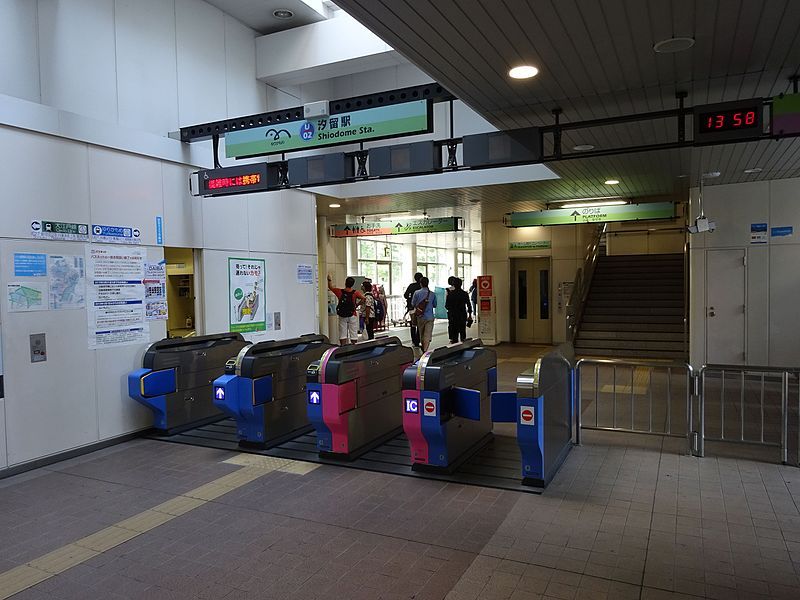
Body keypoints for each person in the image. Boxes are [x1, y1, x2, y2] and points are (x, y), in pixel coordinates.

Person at [327, 275, 365, 345]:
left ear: (345, 283)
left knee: (342, 332)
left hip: (342, 315)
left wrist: (329, 280)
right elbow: (364, 298)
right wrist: (357, 305)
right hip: (352, 314)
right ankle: (354, 346)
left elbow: (330, 287)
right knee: (353, 331)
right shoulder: (355, 293)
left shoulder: (340, 292)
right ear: (352, 284)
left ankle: (343, 346)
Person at [411, 276, 437, 352]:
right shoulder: (432, 294)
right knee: (427, 334)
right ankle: (425, 350)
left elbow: (413, 303)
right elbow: (435, 305)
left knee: (421, 333)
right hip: (430, 317)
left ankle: (424, 348)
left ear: (421, 284)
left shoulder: (417, 293)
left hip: (420, 316)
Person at [445, 278, 472, 343]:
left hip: (453, 316)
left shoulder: (450, 294)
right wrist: (470, 315)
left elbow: (446, 306)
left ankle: (455, 346)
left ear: (454, 285)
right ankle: (464, 347)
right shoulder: (465, 294)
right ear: (461, 284)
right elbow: (469, 305)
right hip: (462, 315)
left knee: (454, 334)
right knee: (463, 333)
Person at [404, 272, 423, 347]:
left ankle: (414, 341)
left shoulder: (411, 286)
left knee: (413, 324)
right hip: (420, 308)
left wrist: (410, 298)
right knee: (419, 324)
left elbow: (405, 295)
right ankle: (418, 340)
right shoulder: (422, 287)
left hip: (412, 308)